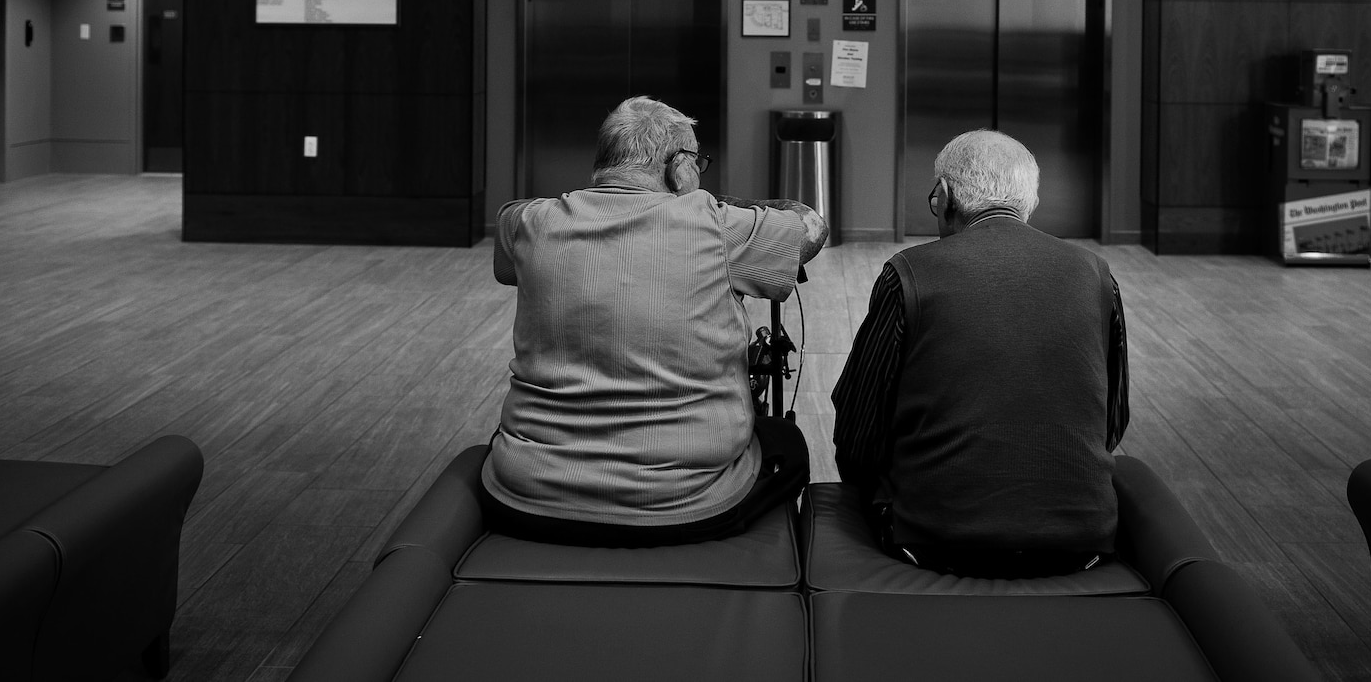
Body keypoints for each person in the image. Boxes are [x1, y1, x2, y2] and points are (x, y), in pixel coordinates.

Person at [480, 95, 829, 546]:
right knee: (789, 444)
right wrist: (714, 201)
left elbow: (509, 235)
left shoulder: (530, 223)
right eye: (697, 162)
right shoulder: (715, 224)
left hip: (525, 494)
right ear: (679, 166)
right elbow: (810, 228)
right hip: (680, 502)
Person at [832, 130, 1129, 577]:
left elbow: (858, 428)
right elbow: (1113, 419)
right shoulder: (1096, 274)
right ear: (1029, 201)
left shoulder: (909, 272)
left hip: (934, 542)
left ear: (947, 197)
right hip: (1078, 545)